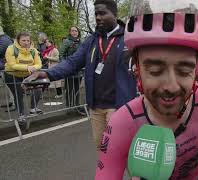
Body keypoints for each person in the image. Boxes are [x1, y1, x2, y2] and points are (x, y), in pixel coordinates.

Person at [95, 0, 198, 179]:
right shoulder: (121, 122)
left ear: (197, 70)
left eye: (184, 71)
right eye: (155, 71)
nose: (171, 86)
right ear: (137, 70)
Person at [24, 0, 137, 149]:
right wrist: (46, 74)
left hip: (118, 106)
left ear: (114, 15)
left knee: (118, 149)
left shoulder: (129, 38)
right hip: (96, 107)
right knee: (101, 148)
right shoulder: (91, 41)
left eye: (102, 13)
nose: (98, 17)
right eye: (96, 14)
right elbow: (72, 62)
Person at [4, 32, 42, 125]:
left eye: (28, 40)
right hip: (12, 75)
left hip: (27, 75)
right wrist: (27, 67)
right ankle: (21, 116)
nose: (26, 42)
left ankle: (33, 108)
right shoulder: (11, 49)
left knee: (38, 87)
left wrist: (33, 68)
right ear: (18, 40)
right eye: (23, 40)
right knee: (19, 94)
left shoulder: (33, 50)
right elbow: (12, 65)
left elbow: (39, 64)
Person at [59, 26, 82, 105]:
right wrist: (65, 65)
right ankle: (69, 107)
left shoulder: (81, 42)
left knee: (77, 89)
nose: (74, 32)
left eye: (76, 31)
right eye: (72, 31)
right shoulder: (66, 41)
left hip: (79, 70)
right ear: (70, 32)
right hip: (69, 69)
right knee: (69, 89)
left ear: (78, 32)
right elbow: (61, 55)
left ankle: (76, 106)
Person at [0, 25, 15, 111]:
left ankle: (14, 102)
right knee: (8, 85)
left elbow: (1, 51)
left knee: (11, 85)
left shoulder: (3, 39)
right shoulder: (4, 39)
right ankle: (11, 101)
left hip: (7, 65)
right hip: (5, 64)